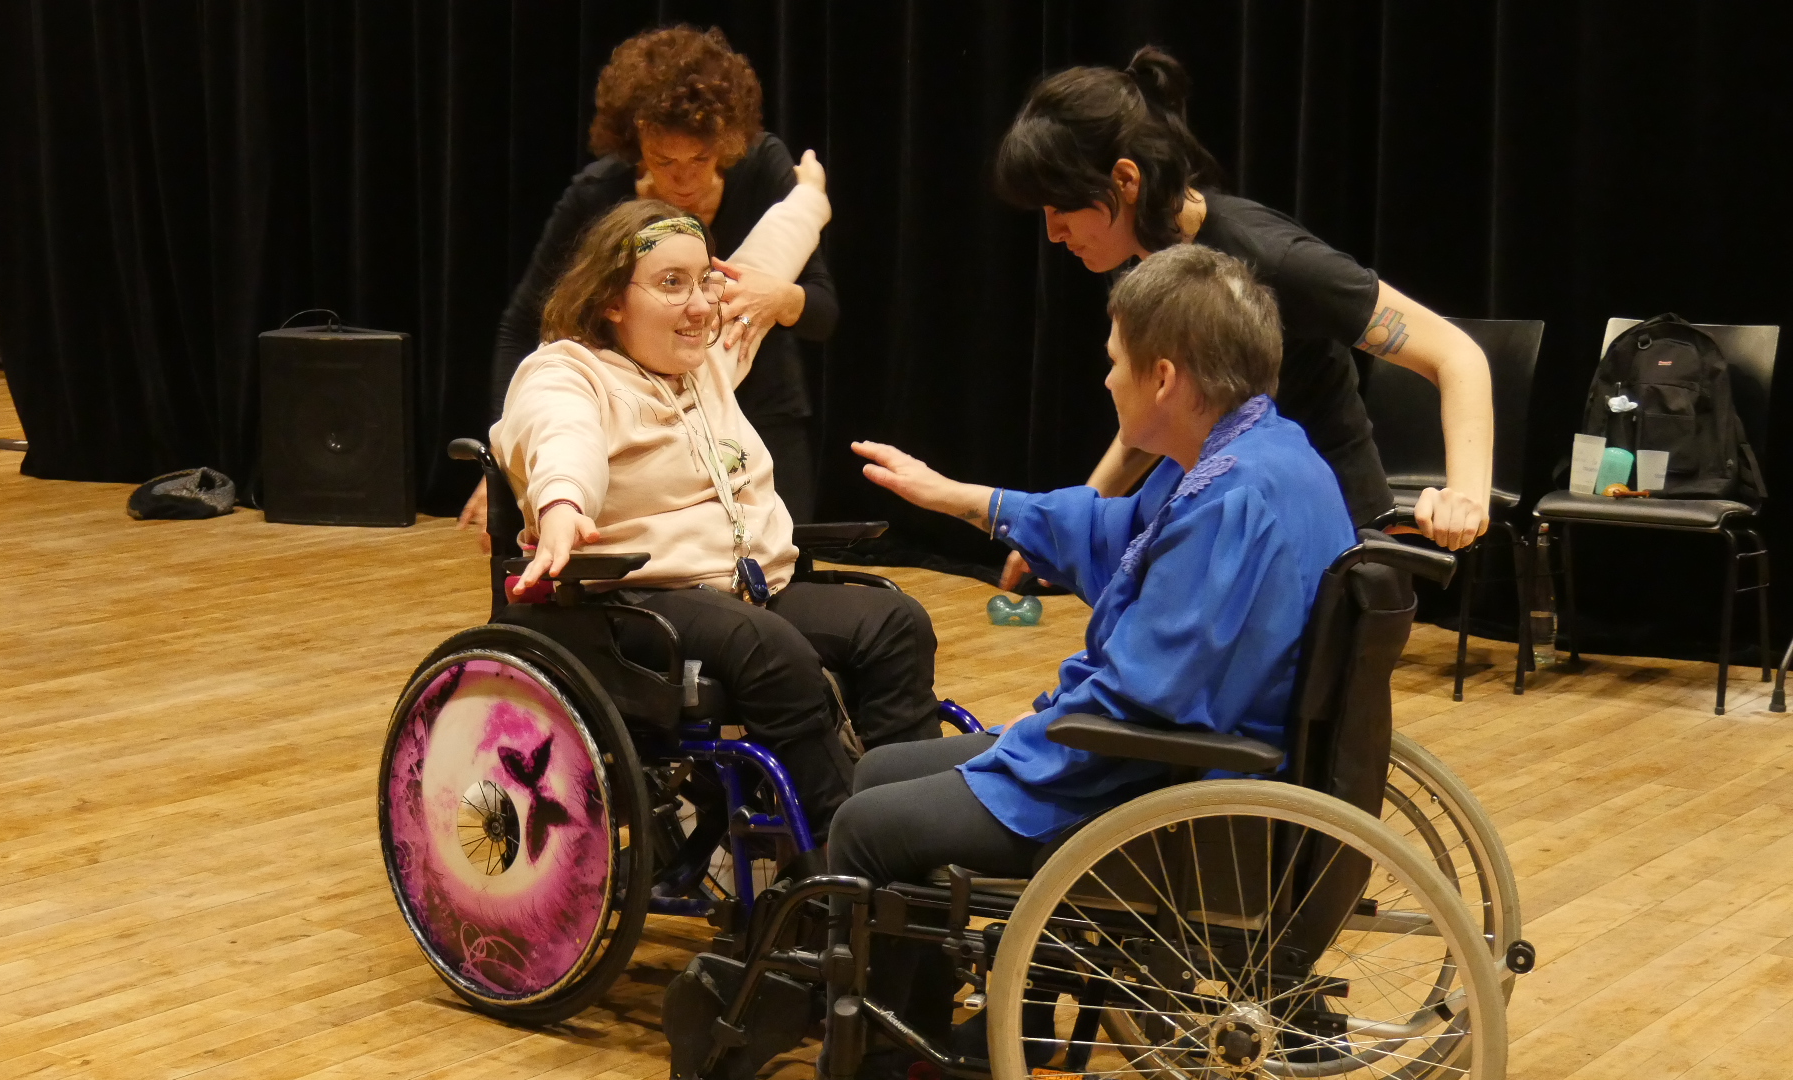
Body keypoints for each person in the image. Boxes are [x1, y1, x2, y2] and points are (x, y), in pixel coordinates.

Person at [834, 245, 1357, 1069]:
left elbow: (1142, 698)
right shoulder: (1259, 454)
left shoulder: (1233, 501)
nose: (1106, 378)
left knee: (864, 828)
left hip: (1168, 788)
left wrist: (1026, 737)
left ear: (1164, 377)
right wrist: (966, 499)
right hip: (1205, 760)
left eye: (1115, 361)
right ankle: (953, 1034)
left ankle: (887, 1060)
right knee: (880, 771)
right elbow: (1116, 532)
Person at [490, 170, 939, 845]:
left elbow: (768, 256)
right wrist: (560, 505)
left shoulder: (703, 363)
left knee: (894, 623)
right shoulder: (566, 373)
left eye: (706, 280)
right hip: (636, 599)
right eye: (672, 283)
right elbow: (562, 439)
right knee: (770, 649)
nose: (701, 304)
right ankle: (845, 851)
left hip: (746, 589)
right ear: (611, 300)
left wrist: (810, 196)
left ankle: (921, 826)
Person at [991, 46, 1491, 589]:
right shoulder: (1144, 264)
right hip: (1241, 525)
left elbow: (1457, 355)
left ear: (1126, 181)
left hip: (1332, 541)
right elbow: (1151, 418)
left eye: (1060, 208)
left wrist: (1466, 494)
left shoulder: (1272, 259)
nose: (1053, 233)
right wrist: (1071, 529)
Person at [468, 24, 837, 539]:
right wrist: (508, 453)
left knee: (776, 551)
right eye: (665, 161)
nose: (684, 179)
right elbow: (523, 329)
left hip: (756, 408)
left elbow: (814, 294)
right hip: (643, 420)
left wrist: (782, 295)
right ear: (638, 139)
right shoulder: (597, 195)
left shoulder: (758, 173)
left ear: (725, 141)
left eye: (700, 159)